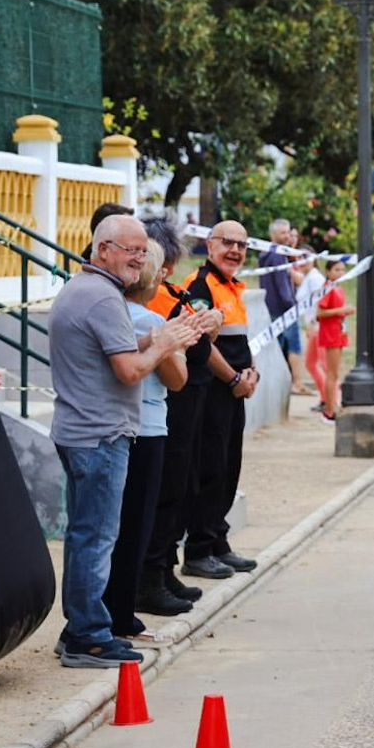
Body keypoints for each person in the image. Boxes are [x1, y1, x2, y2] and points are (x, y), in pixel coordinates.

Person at [49, 214, 199, 668]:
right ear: (102, 249)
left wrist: (157, 337)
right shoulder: (101, 297)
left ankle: (80, 627)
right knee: (96, 537)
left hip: (82, 431)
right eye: (131, 250)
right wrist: (166, 342)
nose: (139, 259)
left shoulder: (84, 289)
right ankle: (90, 636)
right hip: (101, 433)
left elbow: (116, 347)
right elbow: (130, 369)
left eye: (142, 251)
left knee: (84, 535)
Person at [103, 240, 189, 640]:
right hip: (146, 427)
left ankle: (115, 610)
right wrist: (172, 344)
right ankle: (121, 614)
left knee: (116, 525)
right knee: (134, 524)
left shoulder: (114, 310)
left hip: (123, 426)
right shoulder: (145, 320)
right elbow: (177, 379)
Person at [140, 215, 224, 605]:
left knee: (180, 488)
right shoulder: (153, 301)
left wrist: (212, 321)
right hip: (170, 403)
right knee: (166, 492)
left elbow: (203, 339)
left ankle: (164, 569)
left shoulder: (173, 293)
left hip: (189, 402)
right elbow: (189, 348)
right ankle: (151, 575)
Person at [180, 220, 261, 577]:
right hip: (212, 393)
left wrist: (252, 373)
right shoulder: (200, 286)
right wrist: (232, 380)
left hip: (234, 392)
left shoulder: (234, 287)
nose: (235, 251)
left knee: (229, 468)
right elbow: (201, 343)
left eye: (242, 245)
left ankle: (217, 542)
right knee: (209, 468)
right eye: (227, 242)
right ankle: (198, 550)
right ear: (209, 246)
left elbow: (240, 343)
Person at [260, 218, 308, 396]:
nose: (287, 236)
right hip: (285, 308)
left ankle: (282, 382)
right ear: (273, 235)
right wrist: (292, 304)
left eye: (288, 232)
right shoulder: (278, 255)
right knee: (294, 346)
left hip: (270, 307)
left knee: (278, 348)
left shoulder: (265, 253)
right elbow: (282, 285)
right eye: (283, 233)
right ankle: (298, 382)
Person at [315, 259, 353, 424]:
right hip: (330, 333)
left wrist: (345, 312)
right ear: (328, 271)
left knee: (335, 373)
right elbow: (320, 313)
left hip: (339, 332)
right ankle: (329, 410)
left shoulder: (339, 288)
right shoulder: (327, 288)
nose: (340, 273)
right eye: (337, 270)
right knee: (332, 373)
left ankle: (333, 405)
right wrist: (342, 310)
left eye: (342, 270)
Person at [296, 249, 328, 408]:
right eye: (300, 257)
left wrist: (315, 322)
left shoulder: (315, 277)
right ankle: (325, 399)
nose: (303, 260)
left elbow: (323, 299)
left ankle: (331, 401)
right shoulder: (307, 277)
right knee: (311, 363)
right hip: (313, 325)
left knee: (324, 365)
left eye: (306, 257)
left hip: (319, 325)